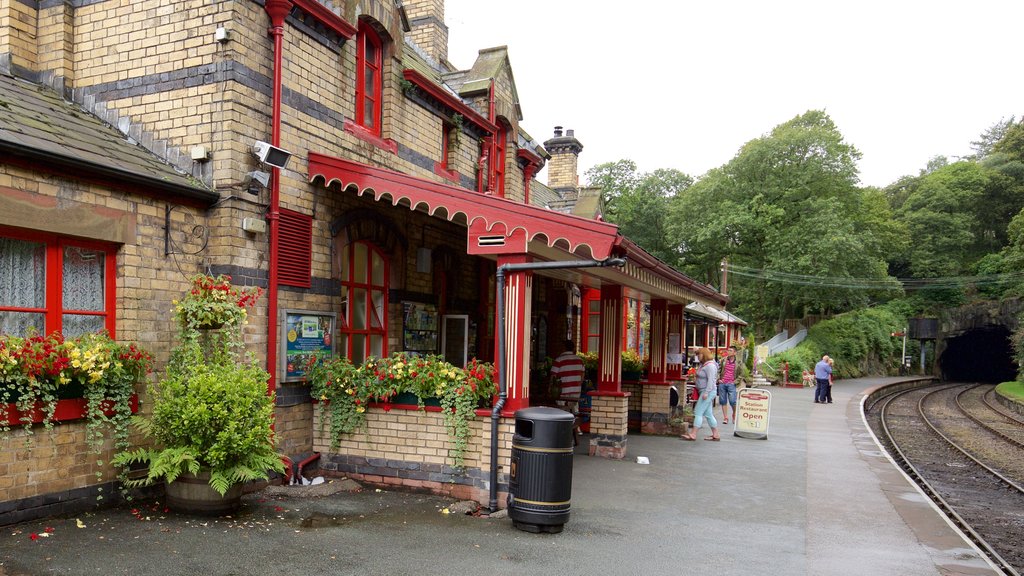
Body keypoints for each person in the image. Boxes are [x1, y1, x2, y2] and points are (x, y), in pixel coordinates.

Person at [681, 347, 720, 441]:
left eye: (699, 354)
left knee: (698, 412)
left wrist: (706, 392)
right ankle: (716, 434)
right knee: (708, 414)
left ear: (704, 355)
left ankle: (693, 434)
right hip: (704, 391)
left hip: (707, 392)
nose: (697, 357)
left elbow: (711, 380)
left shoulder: (710, 366)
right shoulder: (705, 365)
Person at [550, 339, 584, 442]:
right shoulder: (579, 360)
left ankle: (563, 431)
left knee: (563, 411)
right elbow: (582, 376)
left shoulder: (559, 360)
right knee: (574, 409)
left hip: (563, 391)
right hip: (576, 390)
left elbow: (553, 376)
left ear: (563, 348)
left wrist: (550, 388)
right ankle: (576, 428)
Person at [718, 346, 739, 425]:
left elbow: (741, 375)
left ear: (734, 353)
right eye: (728, 350)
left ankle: (734, 414)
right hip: (722, 383)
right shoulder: (723, 360)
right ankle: (725, 417)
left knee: (733, 401)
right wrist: (718, 379)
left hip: (731, 384)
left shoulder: (738, 362)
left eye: (730, 350)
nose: (728, 352)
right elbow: (718, 370)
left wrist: (735, 382)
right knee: (723, 401)